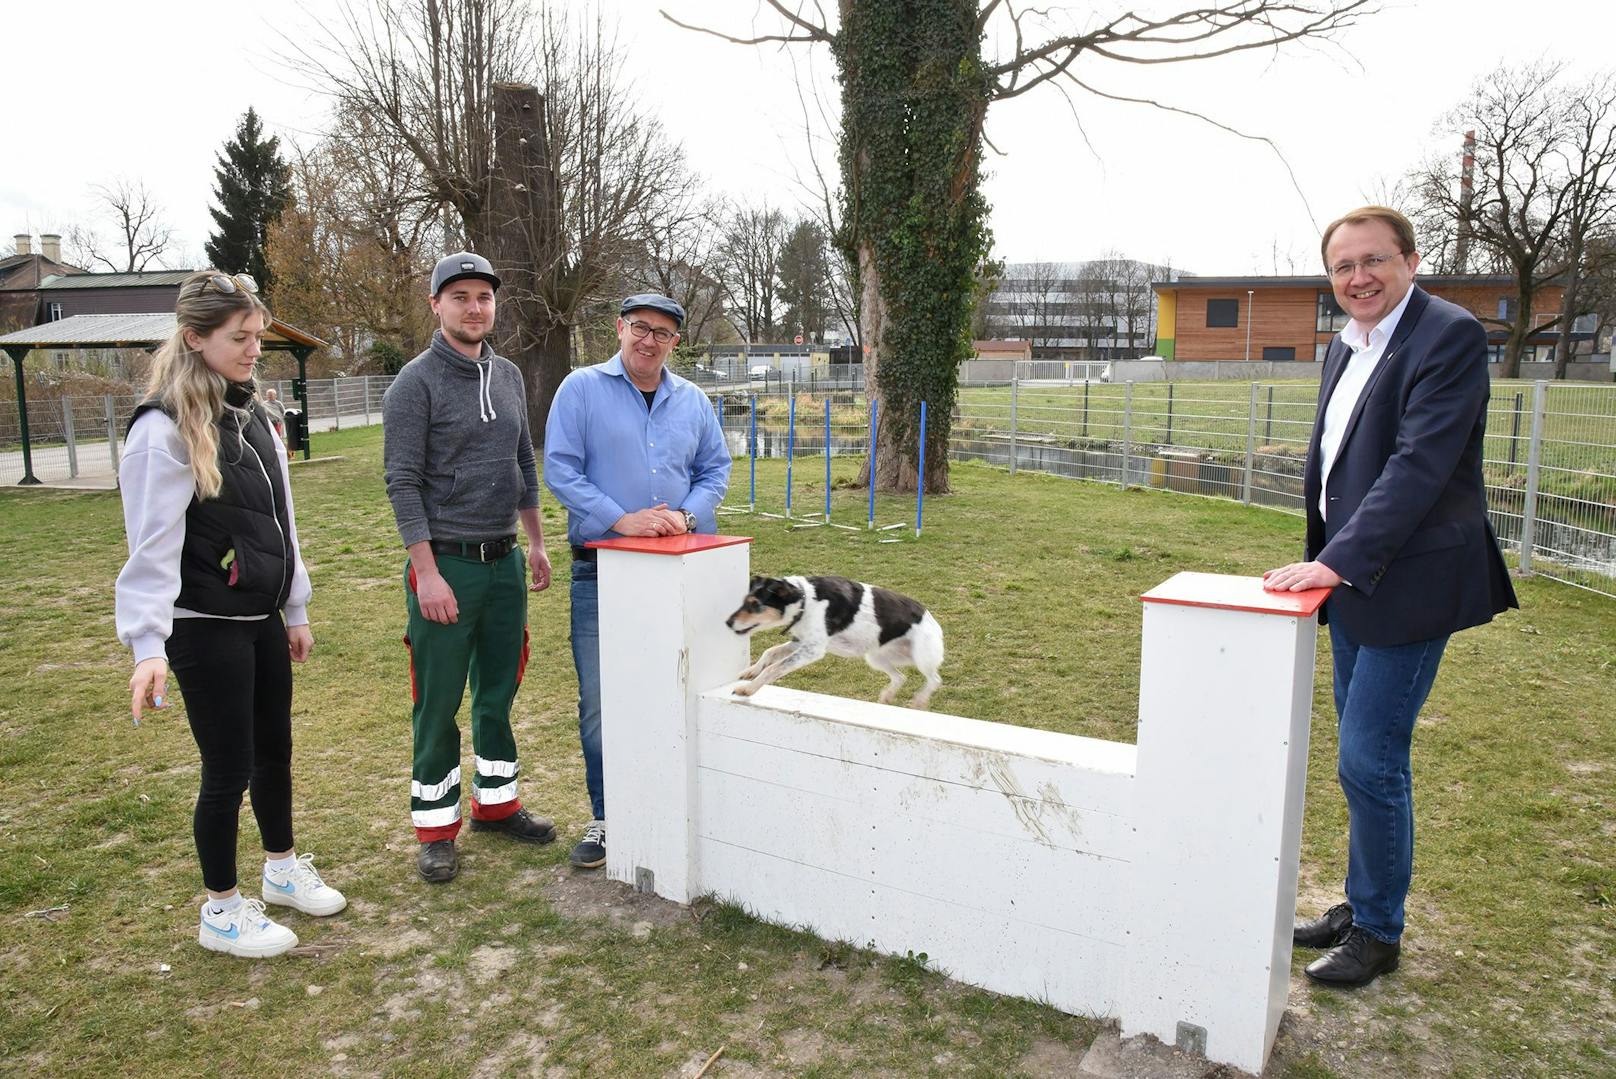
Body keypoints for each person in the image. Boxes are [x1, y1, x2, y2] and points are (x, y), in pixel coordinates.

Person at [1264, 206, 1518, 988]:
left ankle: (1377, 929)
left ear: (1411, 260)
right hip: (1353, 584)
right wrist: (1328, 560)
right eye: (1343, 266)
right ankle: (1358, 903)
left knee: (1370, 758)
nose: (1358, 277)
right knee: (1360, 760)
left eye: (1374, 260)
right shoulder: (1347, 345)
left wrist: (1334, 562)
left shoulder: (1446, 335)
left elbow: (1418, 467)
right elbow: (1340, 463)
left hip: (1412, 584)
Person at [116, 270, 346, 959]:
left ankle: (280, 869)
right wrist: (147, 644)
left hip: (262, 621)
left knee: (275, 751)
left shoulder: (257, 416)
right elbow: (150, 548)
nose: (254, 348)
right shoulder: (162, 430)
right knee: (227, 770)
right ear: (195, 337)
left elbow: (283, 520)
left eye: (257, 336)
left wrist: (295, 605)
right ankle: (219, 911)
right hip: (202, 624)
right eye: (238, 337)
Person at [382, 251, 557, 884]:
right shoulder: (414, 383)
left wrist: (534, 542)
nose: (474, 307)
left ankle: (497, 804)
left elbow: (523, 464)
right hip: (446, 567)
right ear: (436, 304)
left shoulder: (509, 374)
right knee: (437, 703)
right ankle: (435, 828)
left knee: (497, 692)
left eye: (483, 296)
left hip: (503, 560)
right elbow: (401, 481)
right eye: (460, 296)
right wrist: (426, 573)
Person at [543, 293, 731, 869]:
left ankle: (683, 810)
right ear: (620, 328)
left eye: (664, 334)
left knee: (682, 688)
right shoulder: (580, 390)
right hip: (600, 572)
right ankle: (608, 818)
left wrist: (689, 515)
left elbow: (715, 469)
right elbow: (560, 467)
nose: (650, 340)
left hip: (679, 574)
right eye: (641, 328)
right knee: (602, 701)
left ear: (676, 342)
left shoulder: (694, 401)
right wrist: (618, 520)